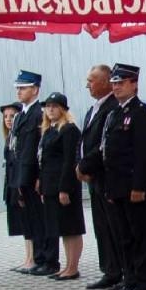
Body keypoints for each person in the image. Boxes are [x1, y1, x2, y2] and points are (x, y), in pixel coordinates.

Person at [101, 63, 146, 290]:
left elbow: (142, 154)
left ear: (134, 84)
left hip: (133, 186)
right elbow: (108, 150)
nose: (116, 87)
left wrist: (138, 186)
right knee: (124, 235)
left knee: (141, 235)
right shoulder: (115, 113)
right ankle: (130, 278)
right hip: (116, 185)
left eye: (121, 82)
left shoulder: (141, 113)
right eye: (114, 83)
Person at [35, 91, 85, 280]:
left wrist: (64, 188)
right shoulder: (49, 130)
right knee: (61, 228)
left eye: (55, 106)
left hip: (64, 186)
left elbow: (68, 161)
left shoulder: (69, 130)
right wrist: (42, 185)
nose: (50, 110)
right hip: (50, 185)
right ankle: (66, 266)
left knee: (71, 226)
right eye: (48, 106)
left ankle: (73, 267)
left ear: (63, 109)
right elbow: (44, 160)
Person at [77, 64, 118, 290]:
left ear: (105, 81)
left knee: (112, 227)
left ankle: (116, 270)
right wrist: (80, 164)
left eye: (92, 80)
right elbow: (84, 141)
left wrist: (85, 165)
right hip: (93, 178)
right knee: (101, 227)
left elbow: (103, 145)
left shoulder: (112, 107)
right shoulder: (94, 108)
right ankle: (108, 270)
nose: (87, 85)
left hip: (105, 175)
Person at [8, 70, 52, 275]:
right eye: (18, 88)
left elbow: (39, 148)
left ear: (35, 89)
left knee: (41, 219)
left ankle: (45, 259)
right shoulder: (20, 115)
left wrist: (38, 177)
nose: (19, 91)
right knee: (30, 219)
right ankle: (35, 258)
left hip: (32, 174)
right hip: (20, 174)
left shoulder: (39, 114)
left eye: (23, 87)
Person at [0, 103, 31, 270]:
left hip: (19, 182)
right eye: (5, 117)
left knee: (28, 221)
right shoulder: (9, 136)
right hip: (11, 182)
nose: (8, 120)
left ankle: (32, 258)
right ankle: (28, 257)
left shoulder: (19, 136)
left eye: (12, 116)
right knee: (22, 221)